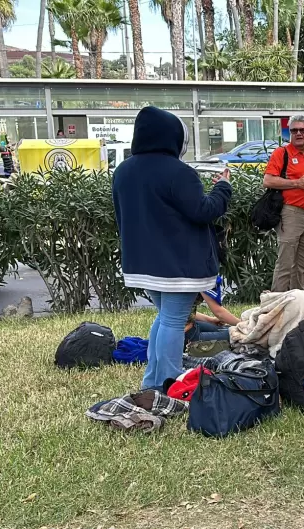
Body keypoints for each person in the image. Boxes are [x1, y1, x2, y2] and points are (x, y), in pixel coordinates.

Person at [112, 106, 233, 390]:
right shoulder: (179, 172)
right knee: (174, 321)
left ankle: (152, 382)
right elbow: (203, 211)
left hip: (141, 263)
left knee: (165, 318)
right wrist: (223, 188)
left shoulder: (123, 170)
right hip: (178, 264)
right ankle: (169, 383)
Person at [263, 115, 304, 292]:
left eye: (302, 130)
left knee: (303, 266)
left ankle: (298, 306)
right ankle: (275, 306)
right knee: (285, 264)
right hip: (290, 213)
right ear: (289, 133)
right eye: (294, 130)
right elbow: (268, 180)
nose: (298, 133)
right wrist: (296, 183)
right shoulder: (282, 153)